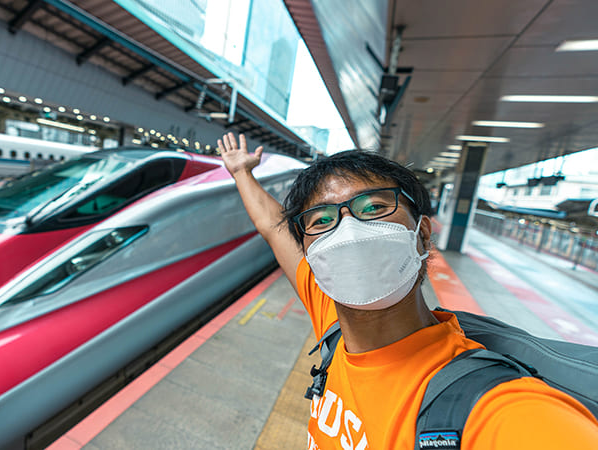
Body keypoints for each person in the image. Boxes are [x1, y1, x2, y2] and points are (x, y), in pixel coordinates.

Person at [217, 132, 598, 449]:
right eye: (322, 219)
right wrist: (240, 172)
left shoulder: (490, 405)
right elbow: (272, 225)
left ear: (423, 235)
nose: (348, 231)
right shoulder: (333, 322)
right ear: (311, 255)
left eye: (374, 208)